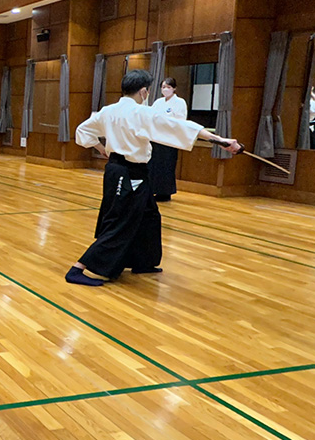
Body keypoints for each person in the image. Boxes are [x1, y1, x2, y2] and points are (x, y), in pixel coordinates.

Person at [66, 70, 241, 286]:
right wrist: (220, 139)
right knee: (120, 222)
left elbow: (83, 131)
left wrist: (103, 150)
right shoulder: (140, 113)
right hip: (128, 174)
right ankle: (78, 268)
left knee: (149, 216)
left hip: (124, 170)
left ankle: (143, 261)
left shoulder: (108, 110)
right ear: (143, 91)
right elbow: (179, 126)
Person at [148, 77, 187, 201]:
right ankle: (153, 190)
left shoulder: (180, 102)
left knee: (167, 165)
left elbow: (181, 121)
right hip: (156, 138)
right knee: (154, 165)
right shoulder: (158, 102)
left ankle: (165, 193)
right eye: (163, 87)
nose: (165, 89)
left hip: (170, 139)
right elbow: (151, 116)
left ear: (174, 88)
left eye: (168, 87)